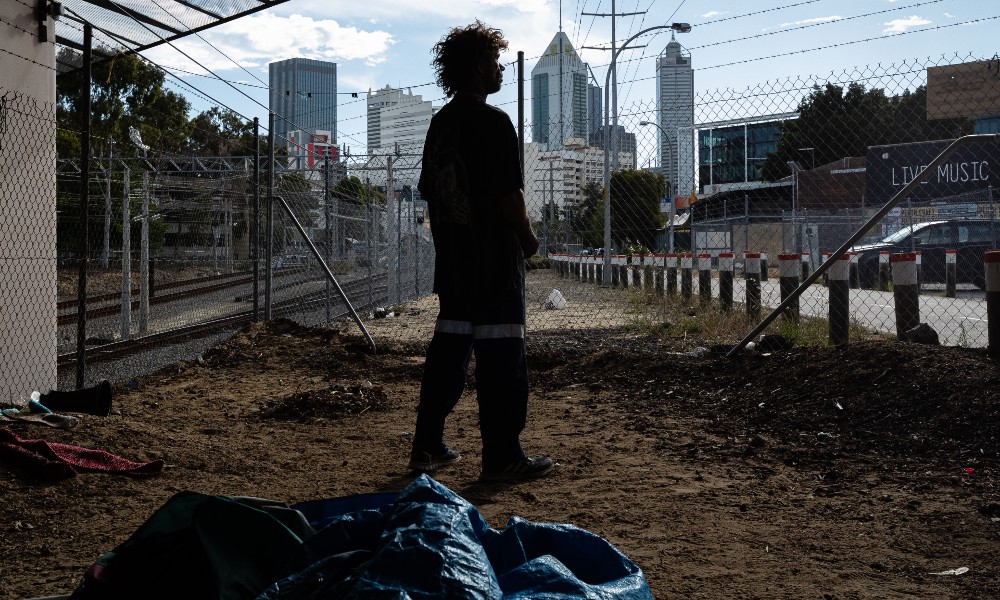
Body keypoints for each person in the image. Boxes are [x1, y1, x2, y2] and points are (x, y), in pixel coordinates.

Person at [408, 21, 553, 480]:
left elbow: (430, 192)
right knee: (502, 359)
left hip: (454, 264)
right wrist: (528, 239)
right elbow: (509, 196)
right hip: (494, 265)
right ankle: (502, 457)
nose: (500, 71)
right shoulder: (494, 123)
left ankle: (426, 445)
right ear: (477, 68)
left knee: (449, 353)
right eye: (493, 62)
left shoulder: (440, 124)